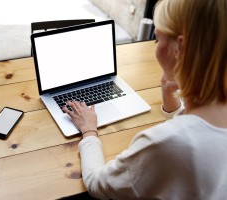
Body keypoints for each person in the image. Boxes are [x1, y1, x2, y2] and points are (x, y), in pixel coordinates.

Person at [62, 0, 227, 199]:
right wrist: (173, 103)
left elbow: (98, 184)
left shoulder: (162, 143)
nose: (155, 48)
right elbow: (199, 130)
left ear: (180, 49)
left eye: (157, 39)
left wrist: (89, 130)